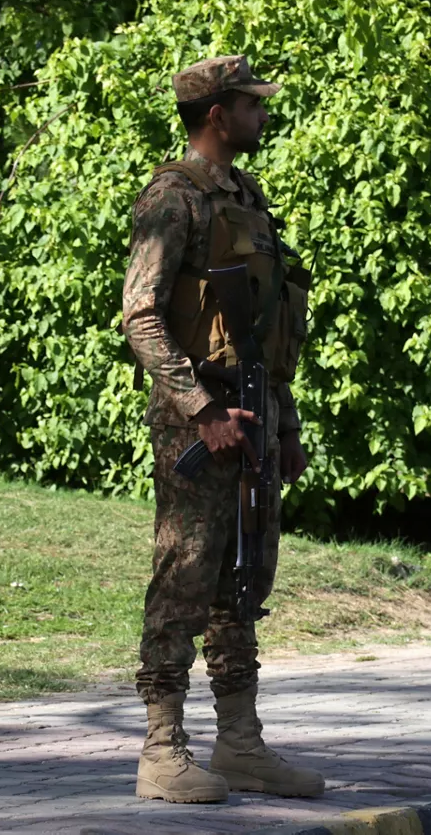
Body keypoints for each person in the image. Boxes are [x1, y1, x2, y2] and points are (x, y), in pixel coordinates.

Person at [120, 54, 323, 804]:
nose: (262, 116)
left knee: (244, 581)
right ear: (217, 115)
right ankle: (161, 748)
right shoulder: (175, 199)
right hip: (199, 423)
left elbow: (266, 332)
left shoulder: (248, 197)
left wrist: (284, 424)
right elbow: (140, 316)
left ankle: (239, 742)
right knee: (186, 577)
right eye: (251, 105)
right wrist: (201, 412)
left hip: (255, 415)